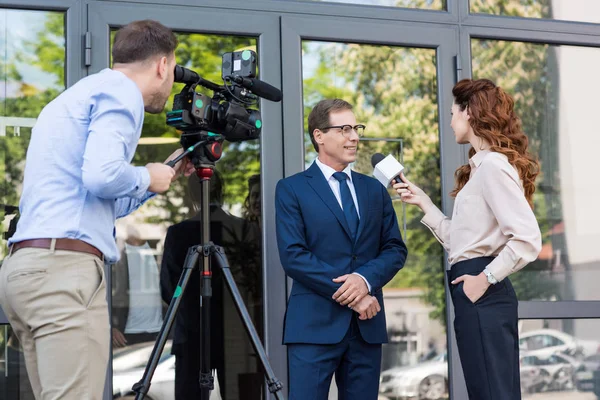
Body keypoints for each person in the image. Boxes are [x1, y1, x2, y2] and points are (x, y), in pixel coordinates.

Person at [0, 20, 194, 400]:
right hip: (62, 274)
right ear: (163, 65)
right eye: (172, 73)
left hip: (28, 270)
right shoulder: (121, 93)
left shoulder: (76, 97)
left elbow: (99, 197)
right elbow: (103, 176)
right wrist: (144, 175)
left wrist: (160, 176)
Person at [393, 78, 542, 399]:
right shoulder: (480, 169)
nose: (449, 122)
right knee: (487, 391)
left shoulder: (492, 167)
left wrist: (484, 279)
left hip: (483, 289)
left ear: (470, 113)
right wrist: (425, 203)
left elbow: (528, 239)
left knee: (492, 392)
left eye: (452, 113)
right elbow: (464, 243)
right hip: (475, 289)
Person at [275, 98, 408, 400]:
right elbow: (294, 256)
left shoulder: (374, 189)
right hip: (313, 328)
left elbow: (394, 249)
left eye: (357, 128)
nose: (355, 136)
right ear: (319, 136)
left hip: (366, 328)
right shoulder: (291, 188)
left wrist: (363, 282)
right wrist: (354, 296)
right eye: (345, 128)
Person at [160, 170, 261, 400]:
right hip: (237, 334)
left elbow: (169, 289)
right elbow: (256, 283)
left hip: (191, 334)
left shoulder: (178, 234)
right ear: (223, 192)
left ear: (191, 196)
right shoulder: (245, 230)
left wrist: (188, 305)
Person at [111, 225, 164, 348]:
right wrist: (110, 326)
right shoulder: (117, 253)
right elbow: (106, 289)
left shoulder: (155, 250)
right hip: (125, 332)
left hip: (159, 330)